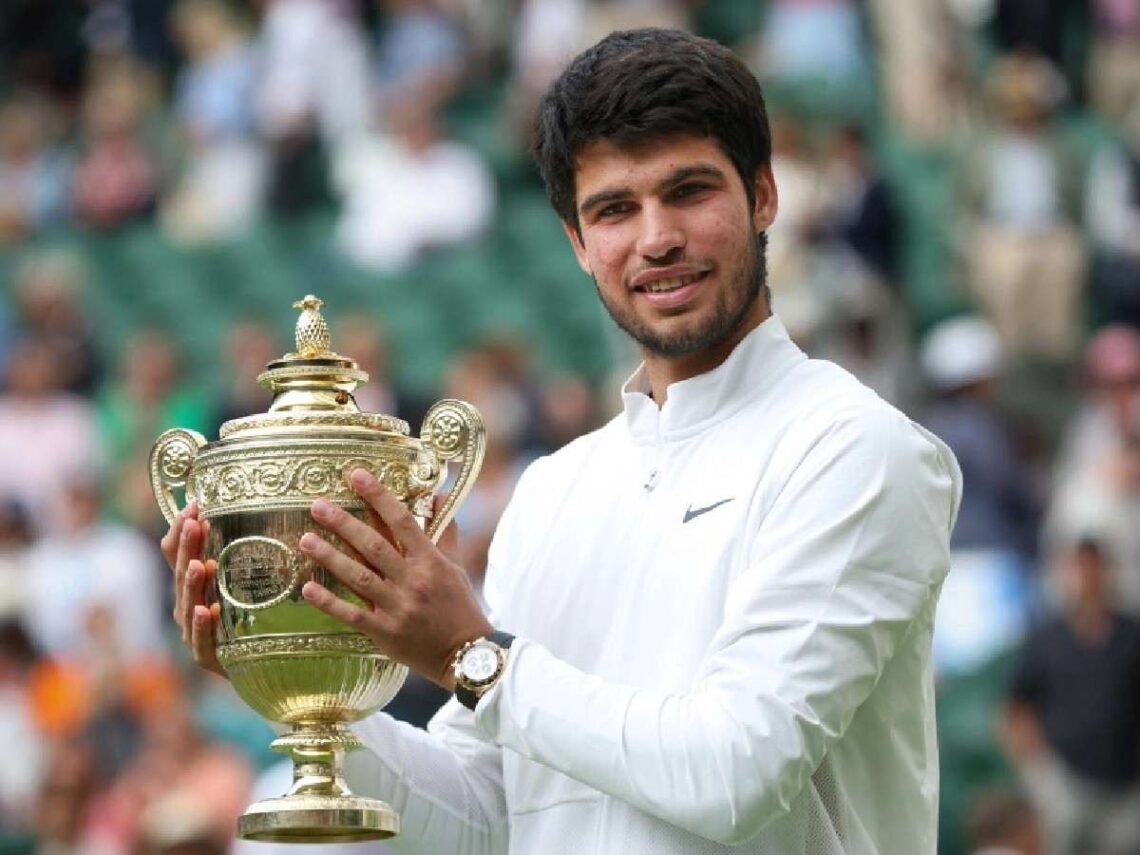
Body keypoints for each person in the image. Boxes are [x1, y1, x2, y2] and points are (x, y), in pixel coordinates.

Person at [163, 29, 961, 854]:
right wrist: (285, 679)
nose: (656, 238)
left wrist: (474, 654)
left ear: (764, 196)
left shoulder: (856, 449)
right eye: (614, 209)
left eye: (688, 191)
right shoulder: (556, 489)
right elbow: (485, 819)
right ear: (578, 244)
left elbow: (737, 773)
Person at [1002, 537, 1140, 855]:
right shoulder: (1046, 639)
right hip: (1064, 781)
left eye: (1095, 567)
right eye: (1080, 568)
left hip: (1125, 785)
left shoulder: (1132, 636)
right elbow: (1015, 710)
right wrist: (1040, 772)